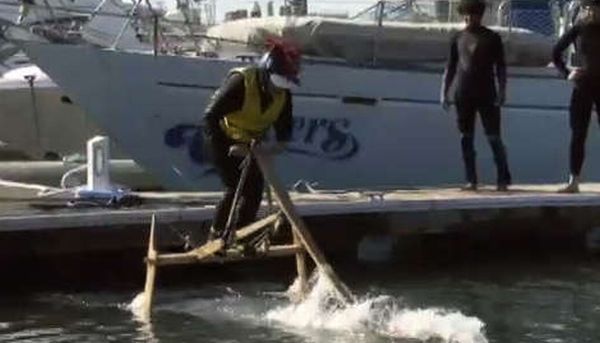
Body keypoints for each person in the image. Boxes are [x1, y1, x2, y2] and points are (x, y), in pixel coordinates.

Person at [202, 38, 299, 245]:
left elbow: (284, 128)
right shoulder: (241, 82)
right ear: (266, 74)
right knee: (234, 186)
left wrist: (275, 146)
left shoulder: (283, 95)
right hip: (223, 138)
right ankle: (216, 234)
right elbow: (210, 116)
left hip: (252, 144)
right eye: (276, 85)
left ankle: (242, 235)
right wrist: (228, 146)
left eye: (283, 87)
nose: (277, 91)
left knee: (254, 189)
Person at [441, 0, 511, 191]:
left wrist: (502, 90)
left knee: (494, 137)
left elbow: (501, 67)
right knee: (466, 137)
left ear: (480, 16)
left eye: (473, 14)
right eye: (466, 14)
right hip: (463, 93)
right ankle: (471, 179)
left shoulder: (492, 38)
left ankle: (503, 178)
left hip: (487, 93)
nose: (469, 18)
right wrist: (444, 92)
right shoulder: (457, 37)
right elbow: (451, 67)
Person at [552, 0, 600, 193]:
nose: (590, 12)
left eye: (594, 8)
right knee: (578, 133)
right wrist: (566, 73)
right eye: (587, 8)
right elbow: (556, 52)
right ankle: (574, 181)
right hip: (583, 85)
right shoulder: (579, 28)